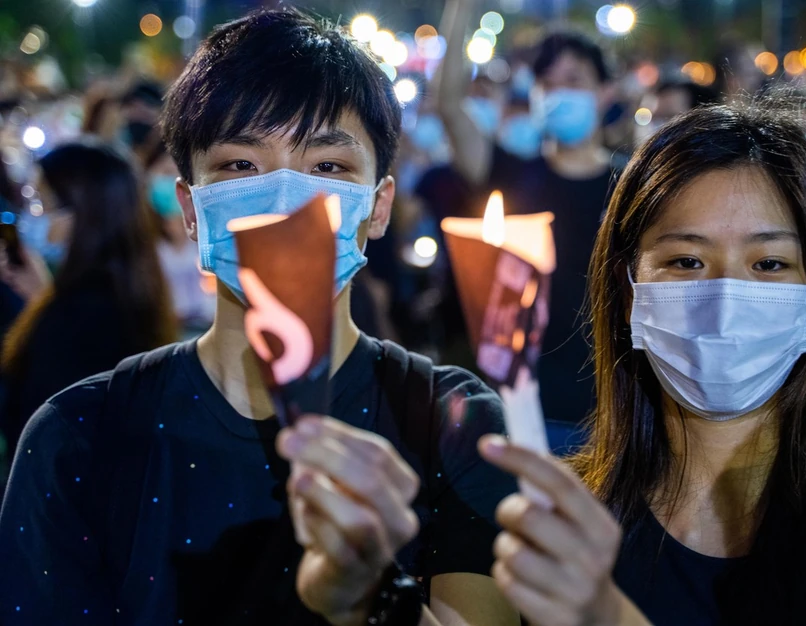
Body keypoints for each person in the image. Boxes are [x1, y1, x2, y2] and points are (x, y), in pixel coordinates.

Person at [0, 10, 518, 625]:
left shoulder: (452, 422)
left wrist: (371, 596)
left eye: (328, 167)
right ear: (191, 209)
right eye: (240, 165)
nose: (283, 200)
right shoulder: (79, 436)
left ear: (378, 207)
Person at [472, 100, 806, 625]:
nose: (723, 299)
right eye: (686, 261)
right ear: (628, 292)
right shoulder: (555, 522)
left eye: (768, 264)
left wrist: (603, 614)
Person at [437, 0, 618, 442]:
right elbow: (447, 104)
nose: (559, 93)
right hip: (521, 405)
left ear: (605, 92)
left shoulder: (630, 184)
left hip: (608, 411)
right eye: (547, 83)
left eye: (574, 81)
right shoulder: (513, 173)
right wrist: (461, 10)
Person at [0, 139, 177, 454]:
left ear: (81, 213)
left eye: (41, 202)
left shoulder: (81, 313)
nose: (32, 216)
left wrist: (49, 309)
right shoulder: (128, 287)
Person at [144, 141, 215, 334]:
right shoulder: (141, 238)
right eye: (166, 172)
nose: (174, 182)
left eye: (181, 173)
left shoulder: (209, 232)